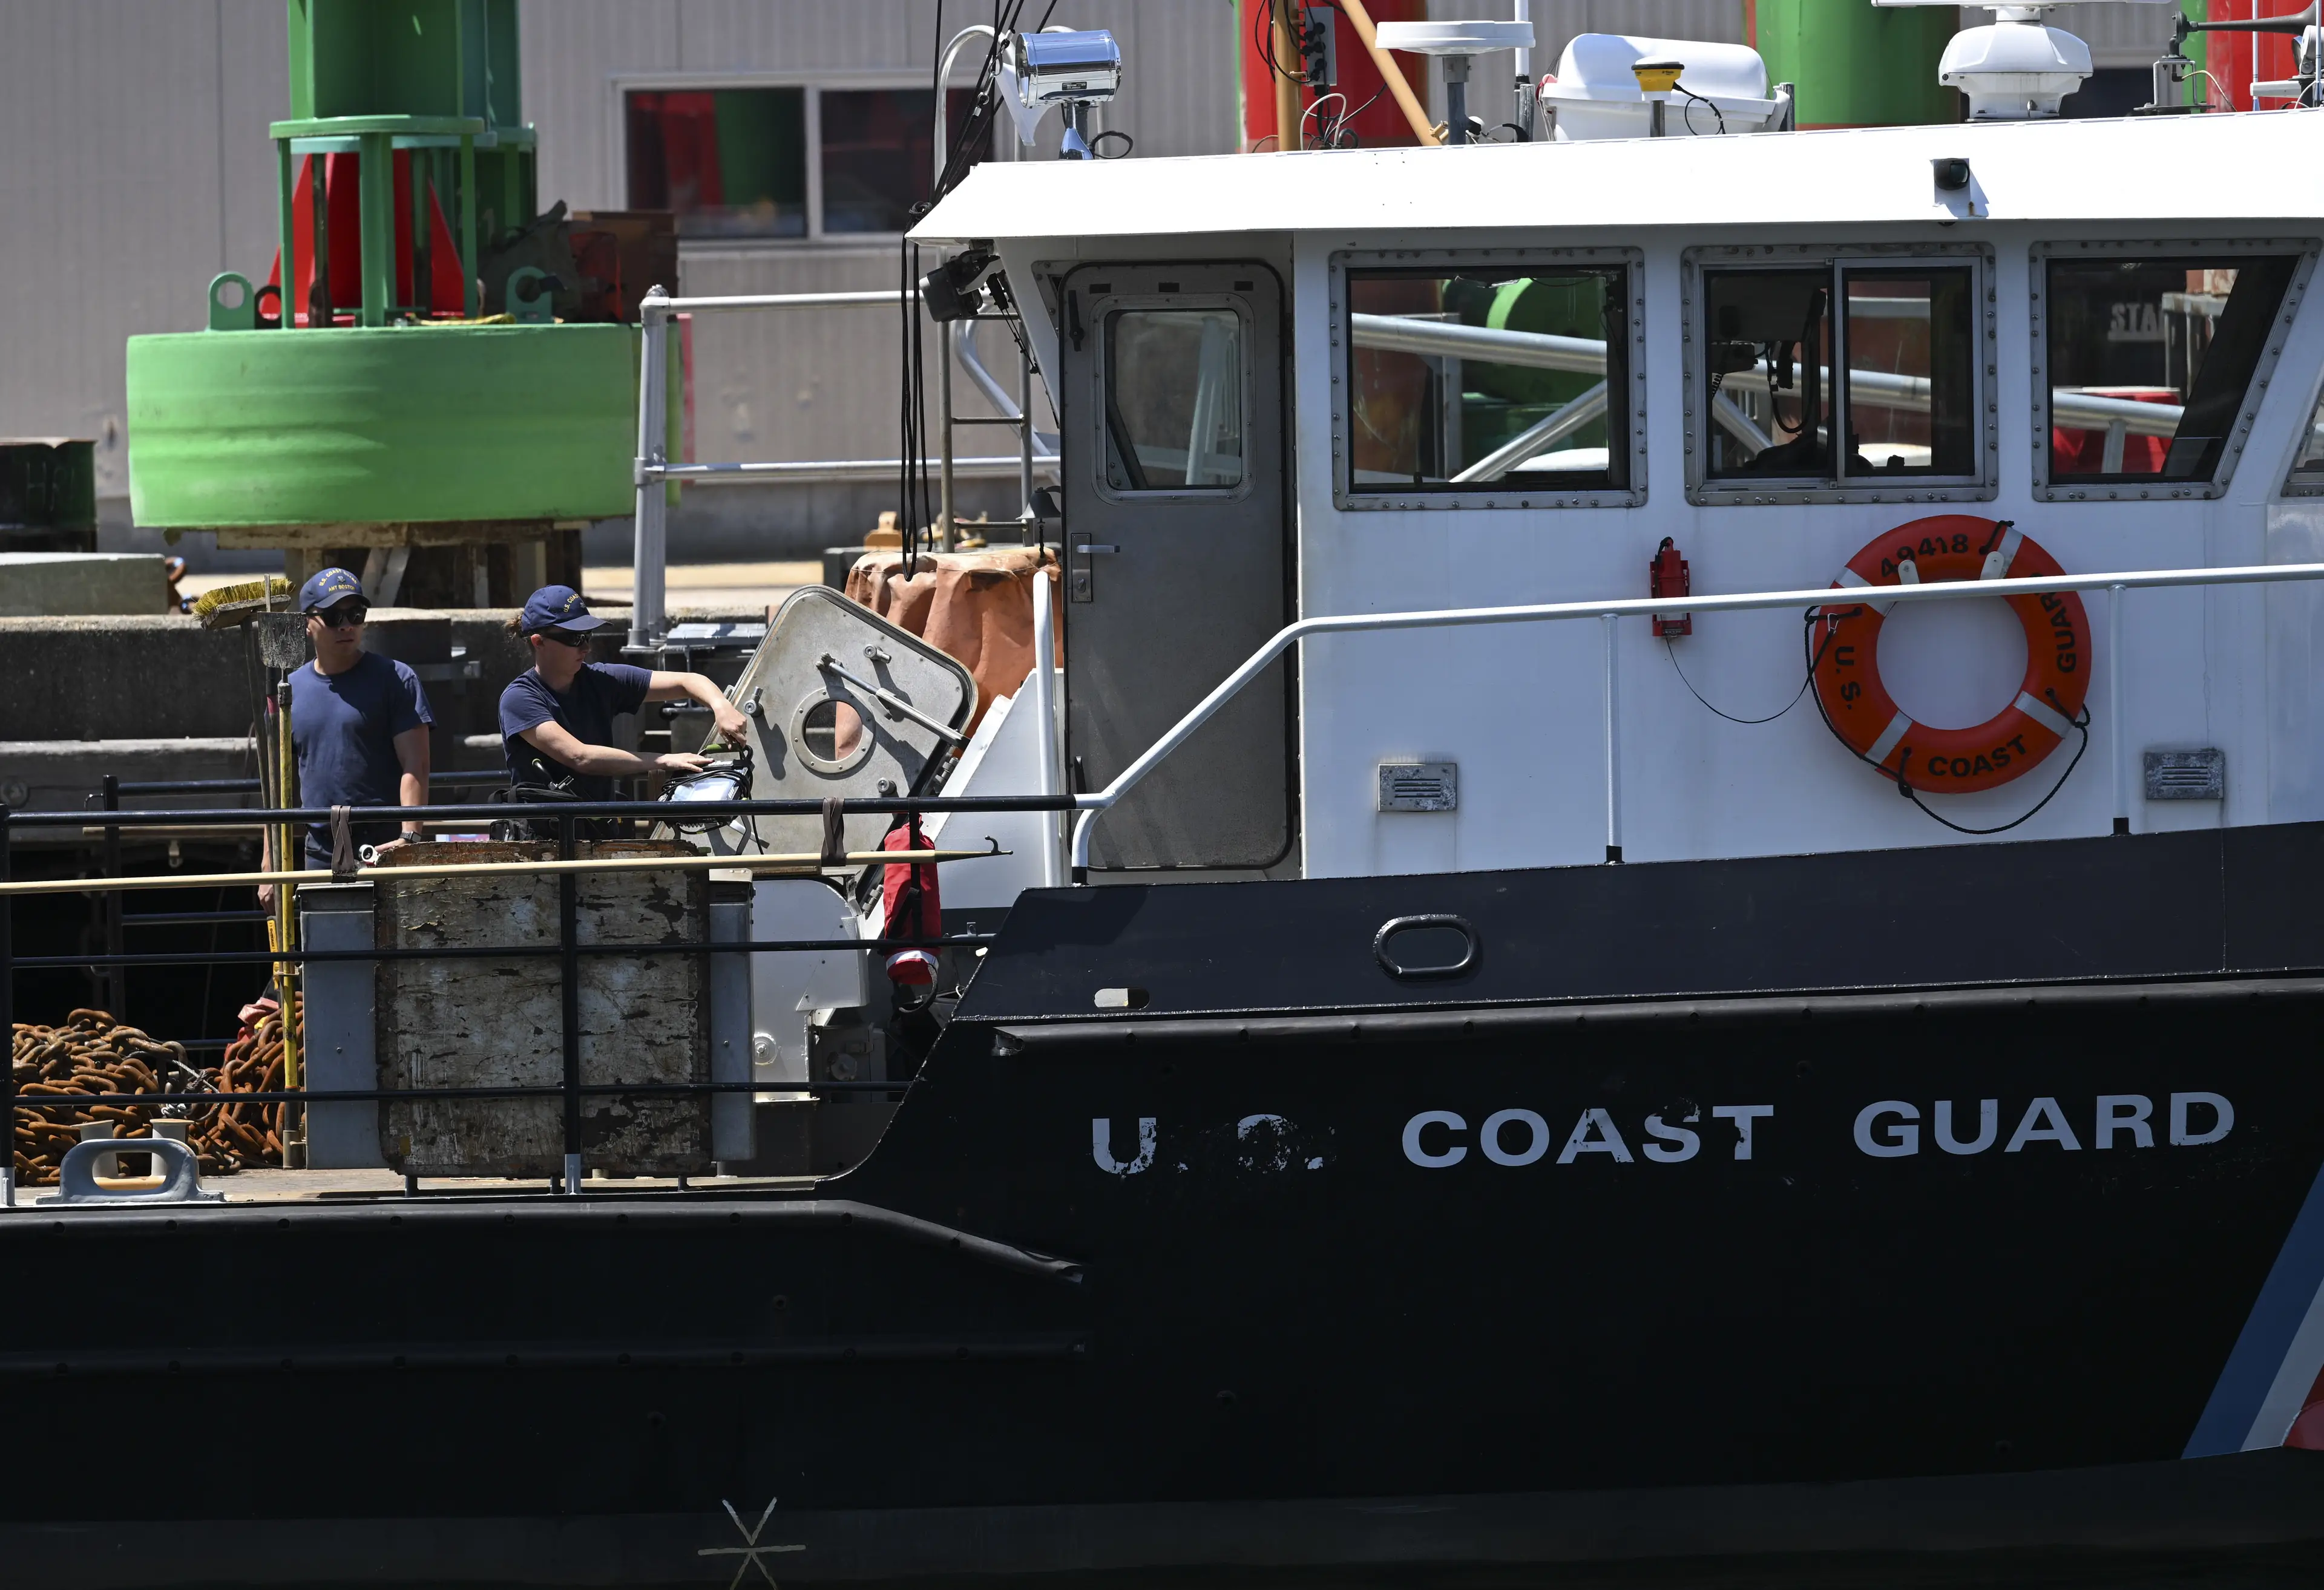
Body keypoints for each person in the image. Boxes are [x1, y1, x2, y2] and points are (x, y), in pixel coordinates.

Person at [260, 567, 432, 901]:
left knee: (394, 951)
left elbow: (417, 765)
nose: (346, 625)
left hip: (386, 848)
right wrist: (270, 865)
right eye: (333, 615)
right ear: (307, 623)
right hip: (320, 851)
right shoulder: (287, 692)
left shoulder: (397, 679)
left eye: (355, 614)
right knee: (326, 950)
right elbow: (277, 786)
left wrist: (409, 838)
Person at [498, 585, 750, 804]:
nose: (586, 647)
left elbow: (688, 681)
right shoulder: (519, 699)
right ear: (538, 642)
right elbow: (580, 756)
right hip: (544, 839)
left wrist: (721, 707)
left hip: (600, 830)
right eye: (574, 639)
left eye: (588, 636)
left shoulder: (601, 680)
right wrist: (663, 760)